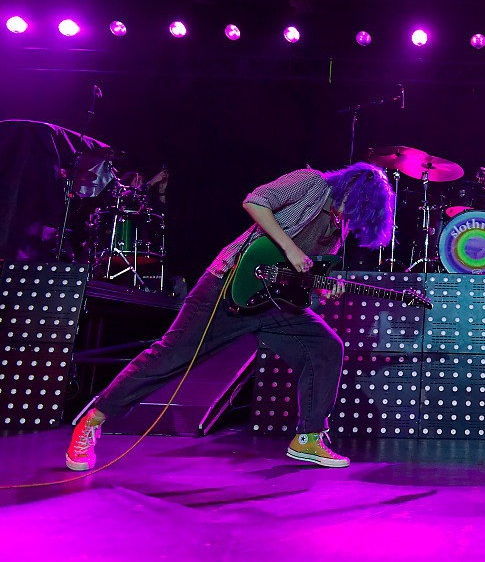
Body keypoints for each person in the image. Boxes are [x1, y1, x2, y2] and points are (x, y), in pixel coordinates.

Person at [66, 162, 395, 471]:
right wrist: (290, 247)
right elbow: (255, 201)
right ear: (352, 192)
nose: (350, 218)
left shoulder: (337, 228)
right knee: (170, 357)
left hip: (273, 303)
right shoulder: (310, 183)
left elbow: (299, 276)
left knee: (326, 347)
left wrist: (321, 290)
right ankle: (94, 418)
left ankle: (309, 437)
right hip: (227, 288)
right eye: (356, 209)